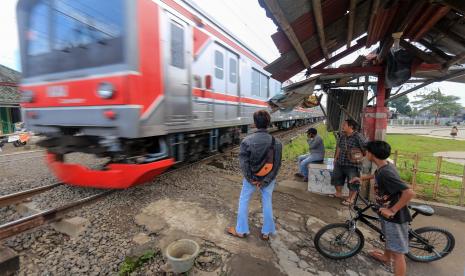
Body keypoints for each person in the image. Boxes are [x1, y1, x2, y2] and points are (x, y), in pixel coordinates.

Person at [350, 141, 415, 276]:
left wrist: (392, 210)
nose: (365, 153)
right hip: (385, 212)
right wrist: (362, 178)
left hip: (395, 217)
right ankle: (386, 257)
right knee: (389, 238)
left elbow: (409, 193)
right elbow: (376, 175)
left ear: (372, 154)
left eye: (367, 151)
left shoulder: (387, 173)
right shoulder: (383, 166)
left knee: (398, 253)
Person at [226, 110, 282, 241]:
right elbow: (277, 165)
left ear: (255, 123)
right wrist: (265, 181)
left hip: (251, 178)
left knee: (244, 200)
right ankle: (266, 232)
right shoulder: (277, 142)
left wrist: (251, 179)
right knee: (267, 201)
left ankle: (241, 230)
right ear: (268, 123)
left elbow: (244, 164)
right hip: (269, 178)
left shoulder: (247, 141)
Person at [331, 119, 366, 205]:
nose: (343, 126)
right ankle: (338, 193)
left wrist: (361, 158)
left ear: (351, 126)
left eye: (344, 125)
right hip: (340, 162)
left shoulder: (358, 137)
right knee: (336, 178)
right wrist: (335, 158)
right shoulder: (343, 136)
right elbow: (339, 147)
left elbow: (365, 149)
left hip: (352, 164)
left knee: (353, 181)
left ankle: (351, 199)